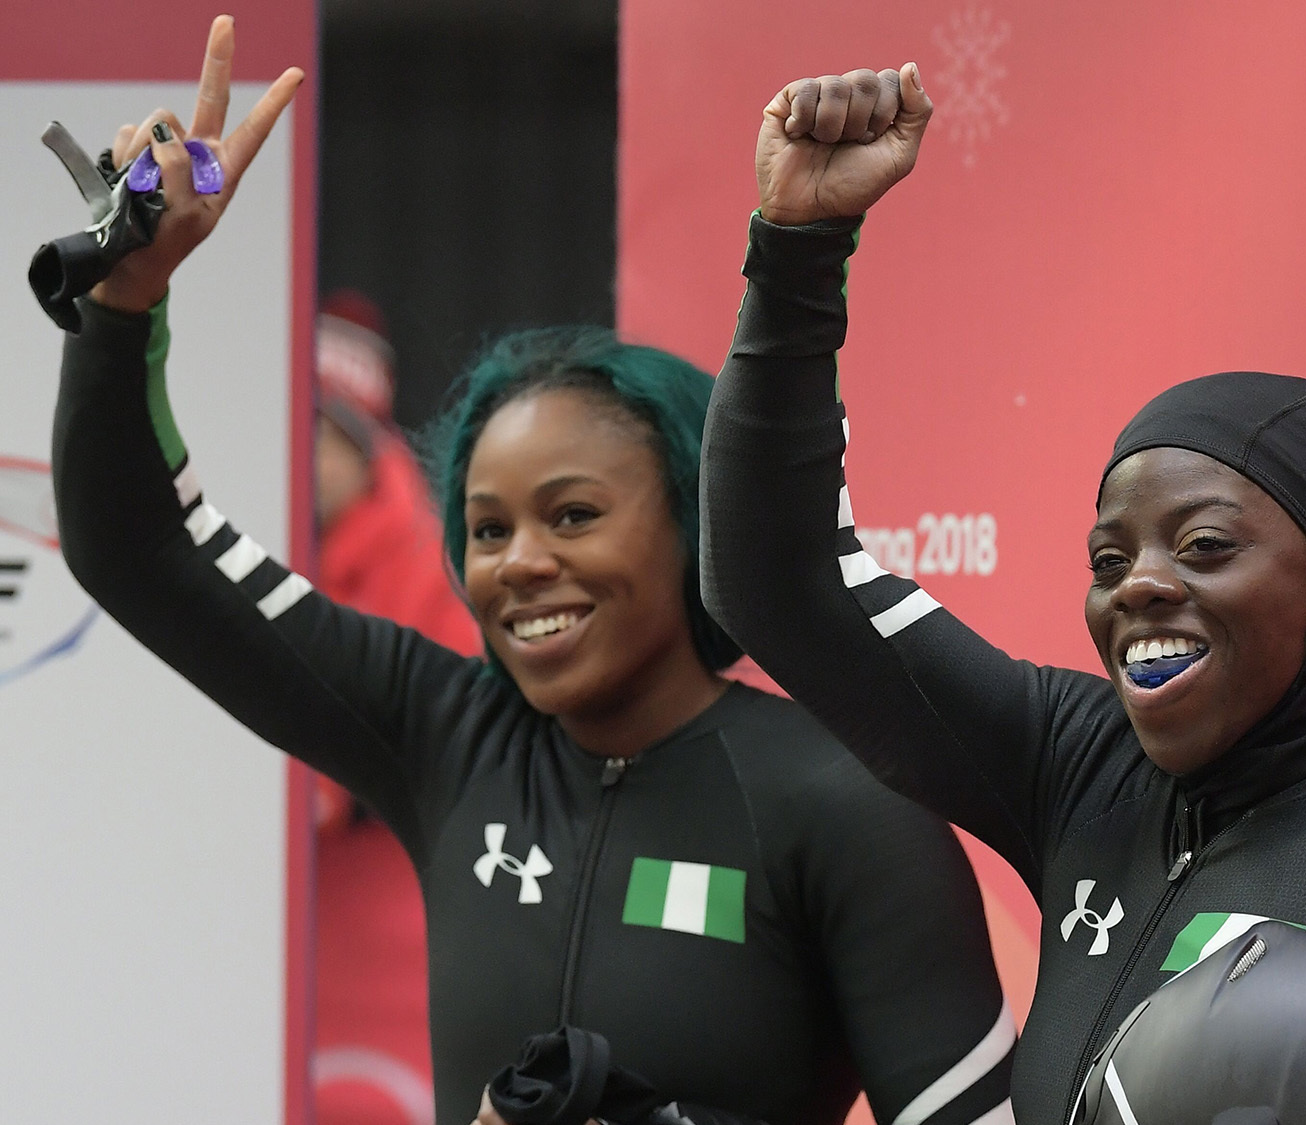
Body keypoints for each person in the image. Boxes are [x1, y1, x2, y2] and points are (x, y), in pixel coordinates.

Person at [50, 22, 1014, 1125]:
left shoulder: (847, 807)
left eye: (573, 515)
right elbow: (142, 550)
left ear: (696, 525)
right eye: (487, 528)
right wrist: (125, 301)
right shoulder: (443, 737)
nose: (521, 565)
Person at [698, 66, 1306, 1125]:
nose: (1142, 587)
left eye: (1204, 545)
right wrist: (798, 246)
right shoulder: (1075, 770)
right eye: (1107, 561)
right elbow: (780, 581)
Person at [310, 294, 479, 1125]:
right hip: (303, 900)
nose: (308, 454)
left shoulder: (413, 543)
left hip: (393, 900)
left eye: (327, 433)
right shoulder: (269, 524)